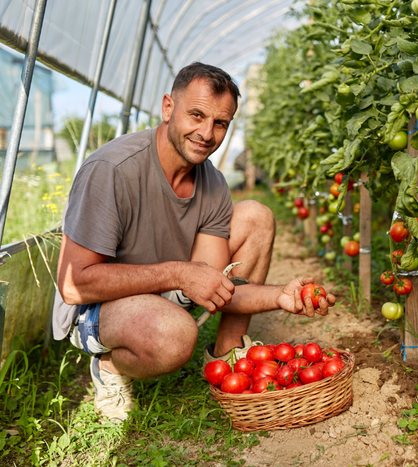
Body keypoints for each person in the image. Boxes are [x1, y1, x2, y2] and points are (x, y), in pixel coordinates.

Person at [52, 62, 335, 423]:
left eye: (220, 123)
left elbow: (217, 282)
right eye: (196, 115)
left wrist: (279, 296)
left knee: (255, 215)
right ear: (168, 107)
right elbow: (75, 286)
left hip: (161, 293)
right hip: (95, 309)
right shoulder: (113, 170)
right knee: (175, 336)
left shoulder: (212, 182)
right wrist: (179, 273)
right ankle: (109, 366)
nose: (206, 133)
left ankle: (227, 357)